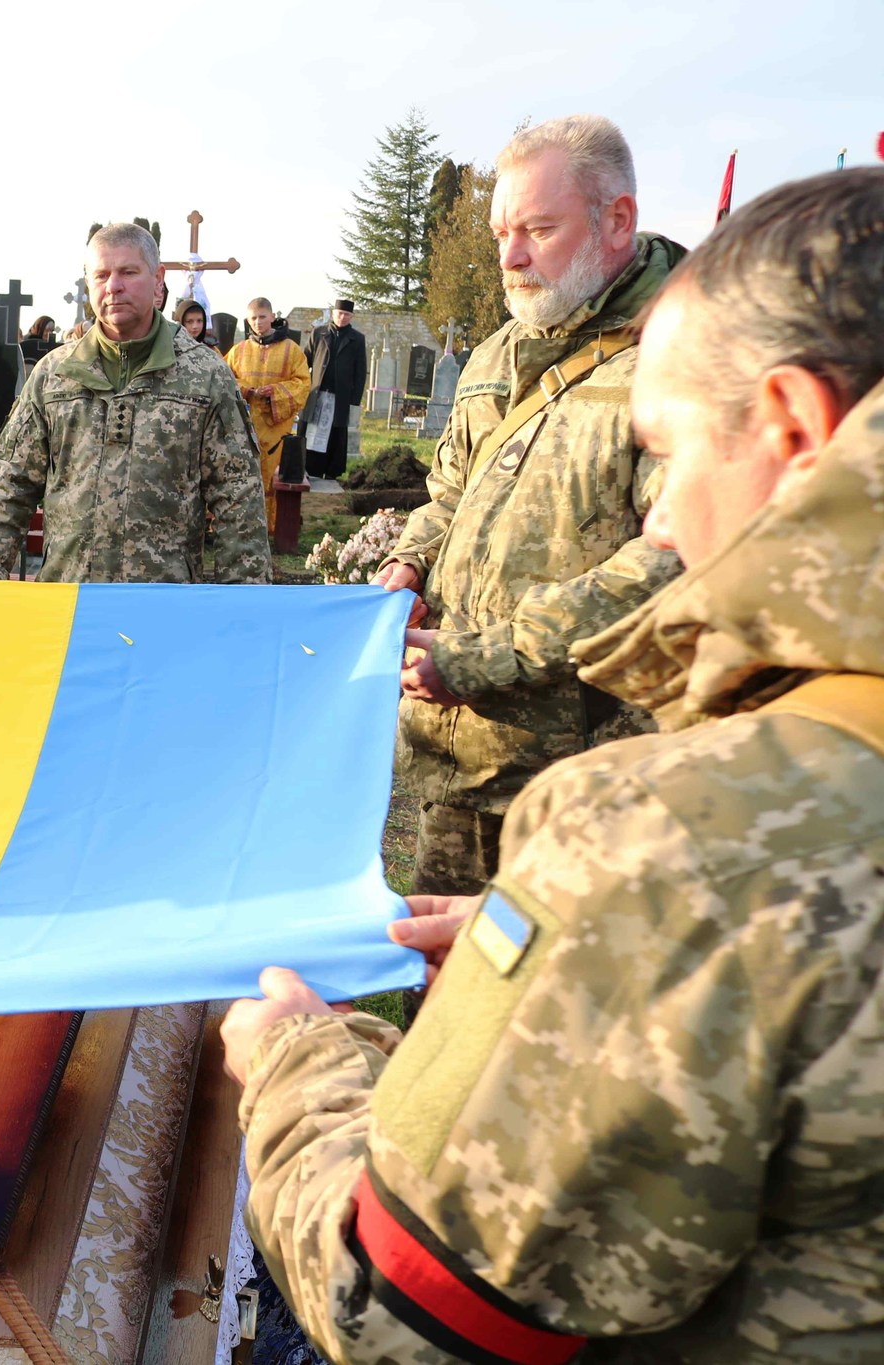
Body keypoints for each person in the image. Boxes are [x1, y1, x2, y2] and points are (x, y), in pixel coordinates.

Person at [222, 164, 884, 1365]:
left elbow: (404, 1315)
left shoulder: (676, 843)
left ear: (792, 429)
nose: (664, 523)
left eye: (669, 454)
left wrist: (295, 1062)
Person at [371, 114, 685, 899]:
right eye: (500, 233)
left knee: (560, 976)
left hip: (588, 783)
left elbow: (675, 558)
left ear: (617, 220)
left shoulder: (679, 357)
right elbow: (450, 493)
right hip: (461, 763)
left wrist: (484, 658)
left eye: (538, 230)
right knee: (444, 971)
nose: (510, 257)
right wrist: (410, 559)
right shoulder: (498, 352)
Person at [0, 223, 271, 584]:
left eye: (128, 272)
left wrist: (243, 605)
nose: (113, 286)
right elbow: (7, 489)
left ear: (158, 280)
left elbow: (238, 500)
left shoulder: (205, 376)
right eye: (101, 275)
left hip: (162, 601)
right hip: (68, 599)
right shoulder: (54, 375)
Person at [224, 296, 312, 536]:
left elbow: (303, 383)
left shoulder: (291, 350)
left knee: (273, 477)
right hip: (244, 428)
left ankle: (272, 526)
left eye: (262, 317)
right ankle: (243, 527)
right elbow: (224, 379)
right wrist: (247, 390)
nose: (258, 322)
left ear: (272, 317)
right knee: (244, 477)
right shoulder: (238, 351)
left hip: (276, 430)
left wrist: (275, 392)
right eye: (253, 318)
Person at [298, 298, 366, 479]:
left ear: (351, 317)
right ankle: (307, 468)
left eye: (347, 315)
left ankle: (331, 472)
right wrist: (302, 389)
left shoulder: (357, 339)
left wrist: (354, 401)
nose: (342, 318)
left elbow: (360, 372)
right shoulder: (318, 333)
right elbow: (304, 363)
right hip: (317, 393)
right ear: (333, 313)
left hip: (340, 397)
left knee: (334, 434)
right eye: (340, 313)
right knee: (311, 430)